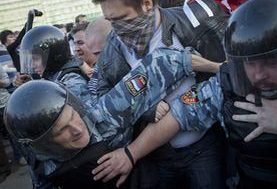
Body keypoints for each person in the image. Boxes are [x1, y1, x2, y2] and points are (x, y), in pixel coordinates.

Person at [93, 0, 277, 189]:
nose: (257, 75)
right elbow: (180, 112)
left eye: (270, 63)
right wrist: (131, 153)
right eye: (249, 63)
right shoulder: (225, 83)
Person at [92, 0, 228, 188]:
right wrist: (144, 108)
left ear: (146, 3)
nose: (116, 28)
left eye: (122, 18)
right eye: (110, 21)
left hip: (204, 147)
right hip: (155, 157)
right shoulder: (112, 52)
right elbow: (104, 97)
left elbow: (227, 72)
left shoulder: (194, 24)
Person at [4, 47, 197, 189]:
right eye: (62, 130)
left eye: (74, 116)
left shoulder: (104, 116)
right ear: (45, 144)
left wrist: (131, 152)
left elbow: (163, 63)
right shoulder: (41, 162)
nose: (78, 129)